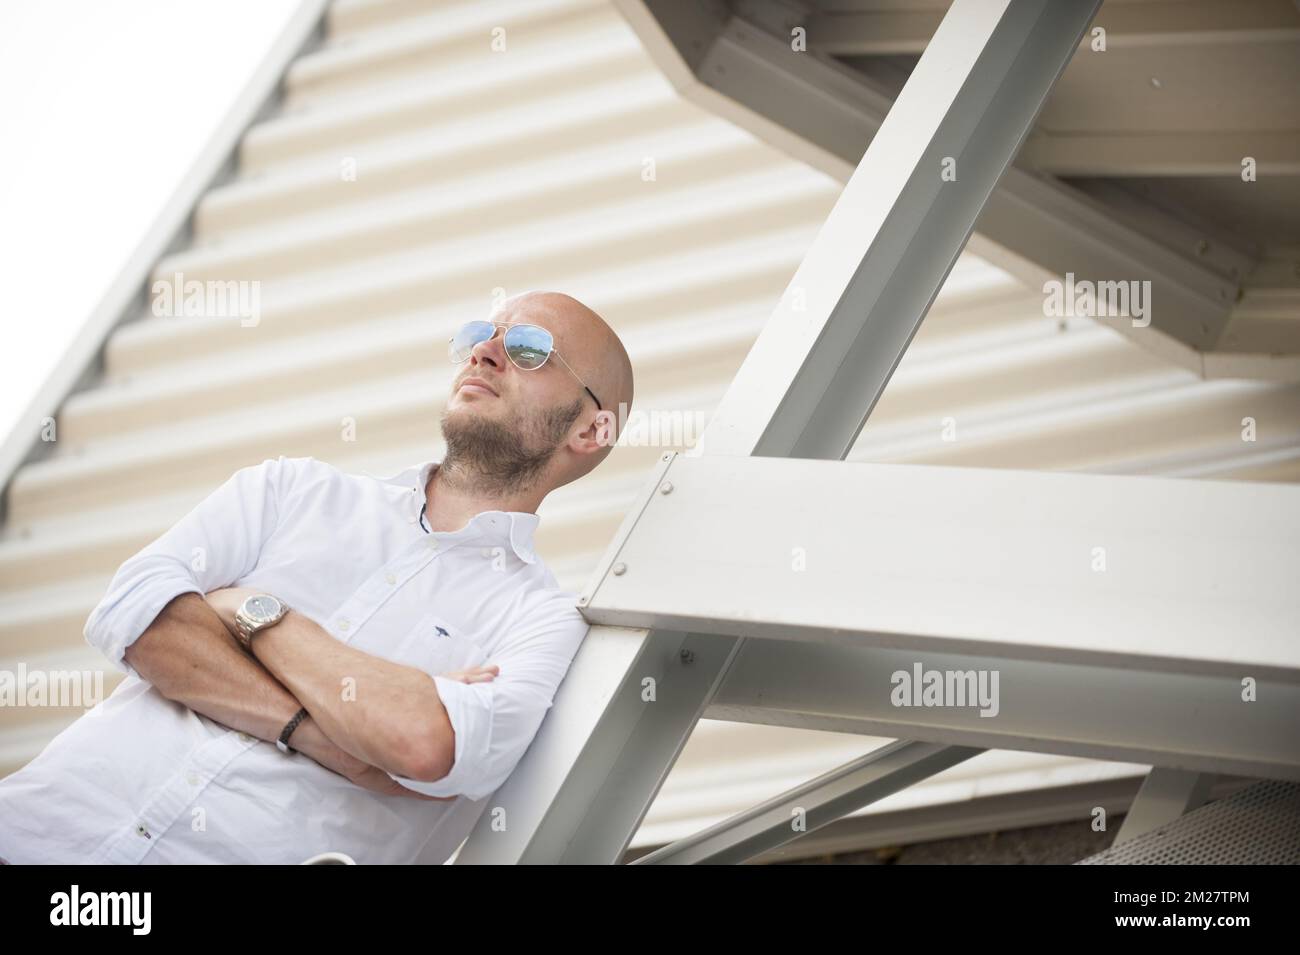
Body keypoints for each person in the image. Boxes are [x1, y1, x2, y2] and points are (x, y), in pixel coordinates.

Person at [0, 290, 634, 864]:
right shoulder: (292, 488)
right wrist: (330, 735)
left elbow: (420, 742)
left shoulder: (542, 620)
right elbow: (133, 614)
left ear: (590, 428)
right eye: (480, 335)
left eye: (529, 348)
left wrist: (250, 610)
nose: (486, 353)